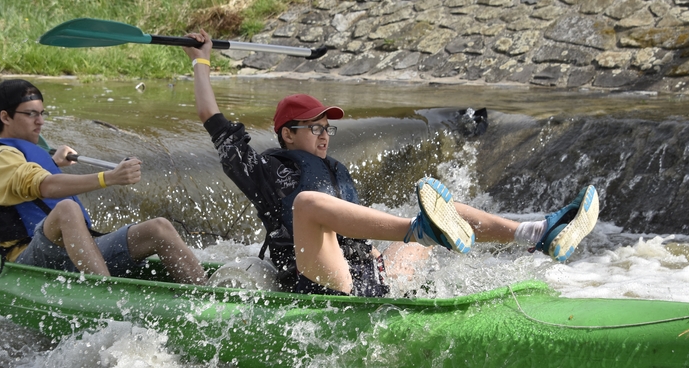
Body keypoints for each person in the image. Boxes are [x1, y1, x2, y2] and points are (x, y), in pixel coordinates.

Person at [182, 30, 599, 297]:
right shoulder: (259, 169)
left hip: (366, 274)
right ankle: (421, 229)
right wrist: (201, 61)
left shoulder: (335, 169)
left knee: (444, 208)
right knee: (308, 203)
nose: (325, 135)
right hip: (316, 278)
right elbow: (210, 117)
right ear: (287, 134)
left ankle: (535, 232)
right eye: (314, 128)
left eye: (327, 128)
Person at [0, 79, 207, 285]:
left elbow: (26, 175)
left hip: (73, 250)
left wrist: (54, 162)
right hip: (29, 258)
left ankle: (206, 296)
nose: (40, 121)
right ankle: (105, 297)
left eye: (41, 113)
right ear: (5, 117)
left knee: (159, 228)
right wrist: (109, 178)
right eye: (31, 114)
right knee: (67, 209)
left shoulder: (18, 153)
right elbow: (44, 186)